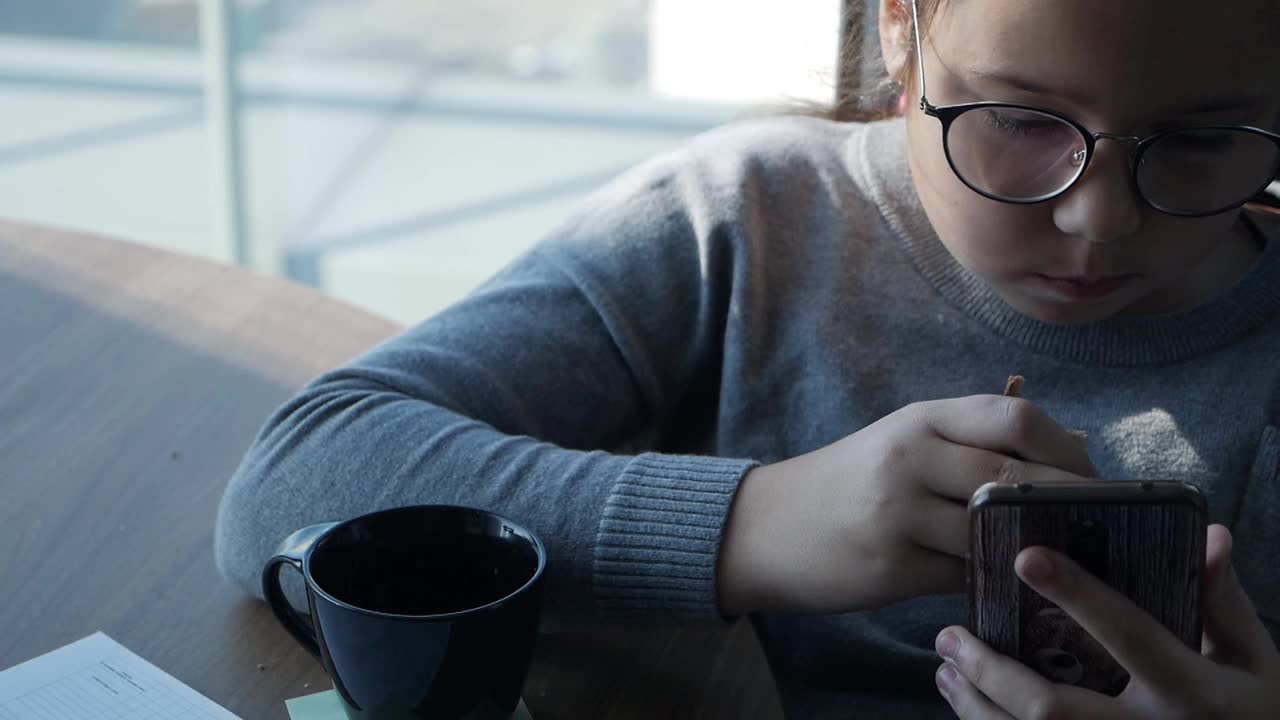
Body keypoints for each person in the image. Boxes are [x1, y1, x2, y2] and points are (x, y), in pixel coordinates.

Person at [215, 0, 1280, 716]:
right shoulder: (745, 220)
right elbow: (295, 480)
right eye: (1016, 118)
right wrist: (750, 524)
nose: (1096, 218)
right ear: (901, 32)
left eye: (1193, 141)